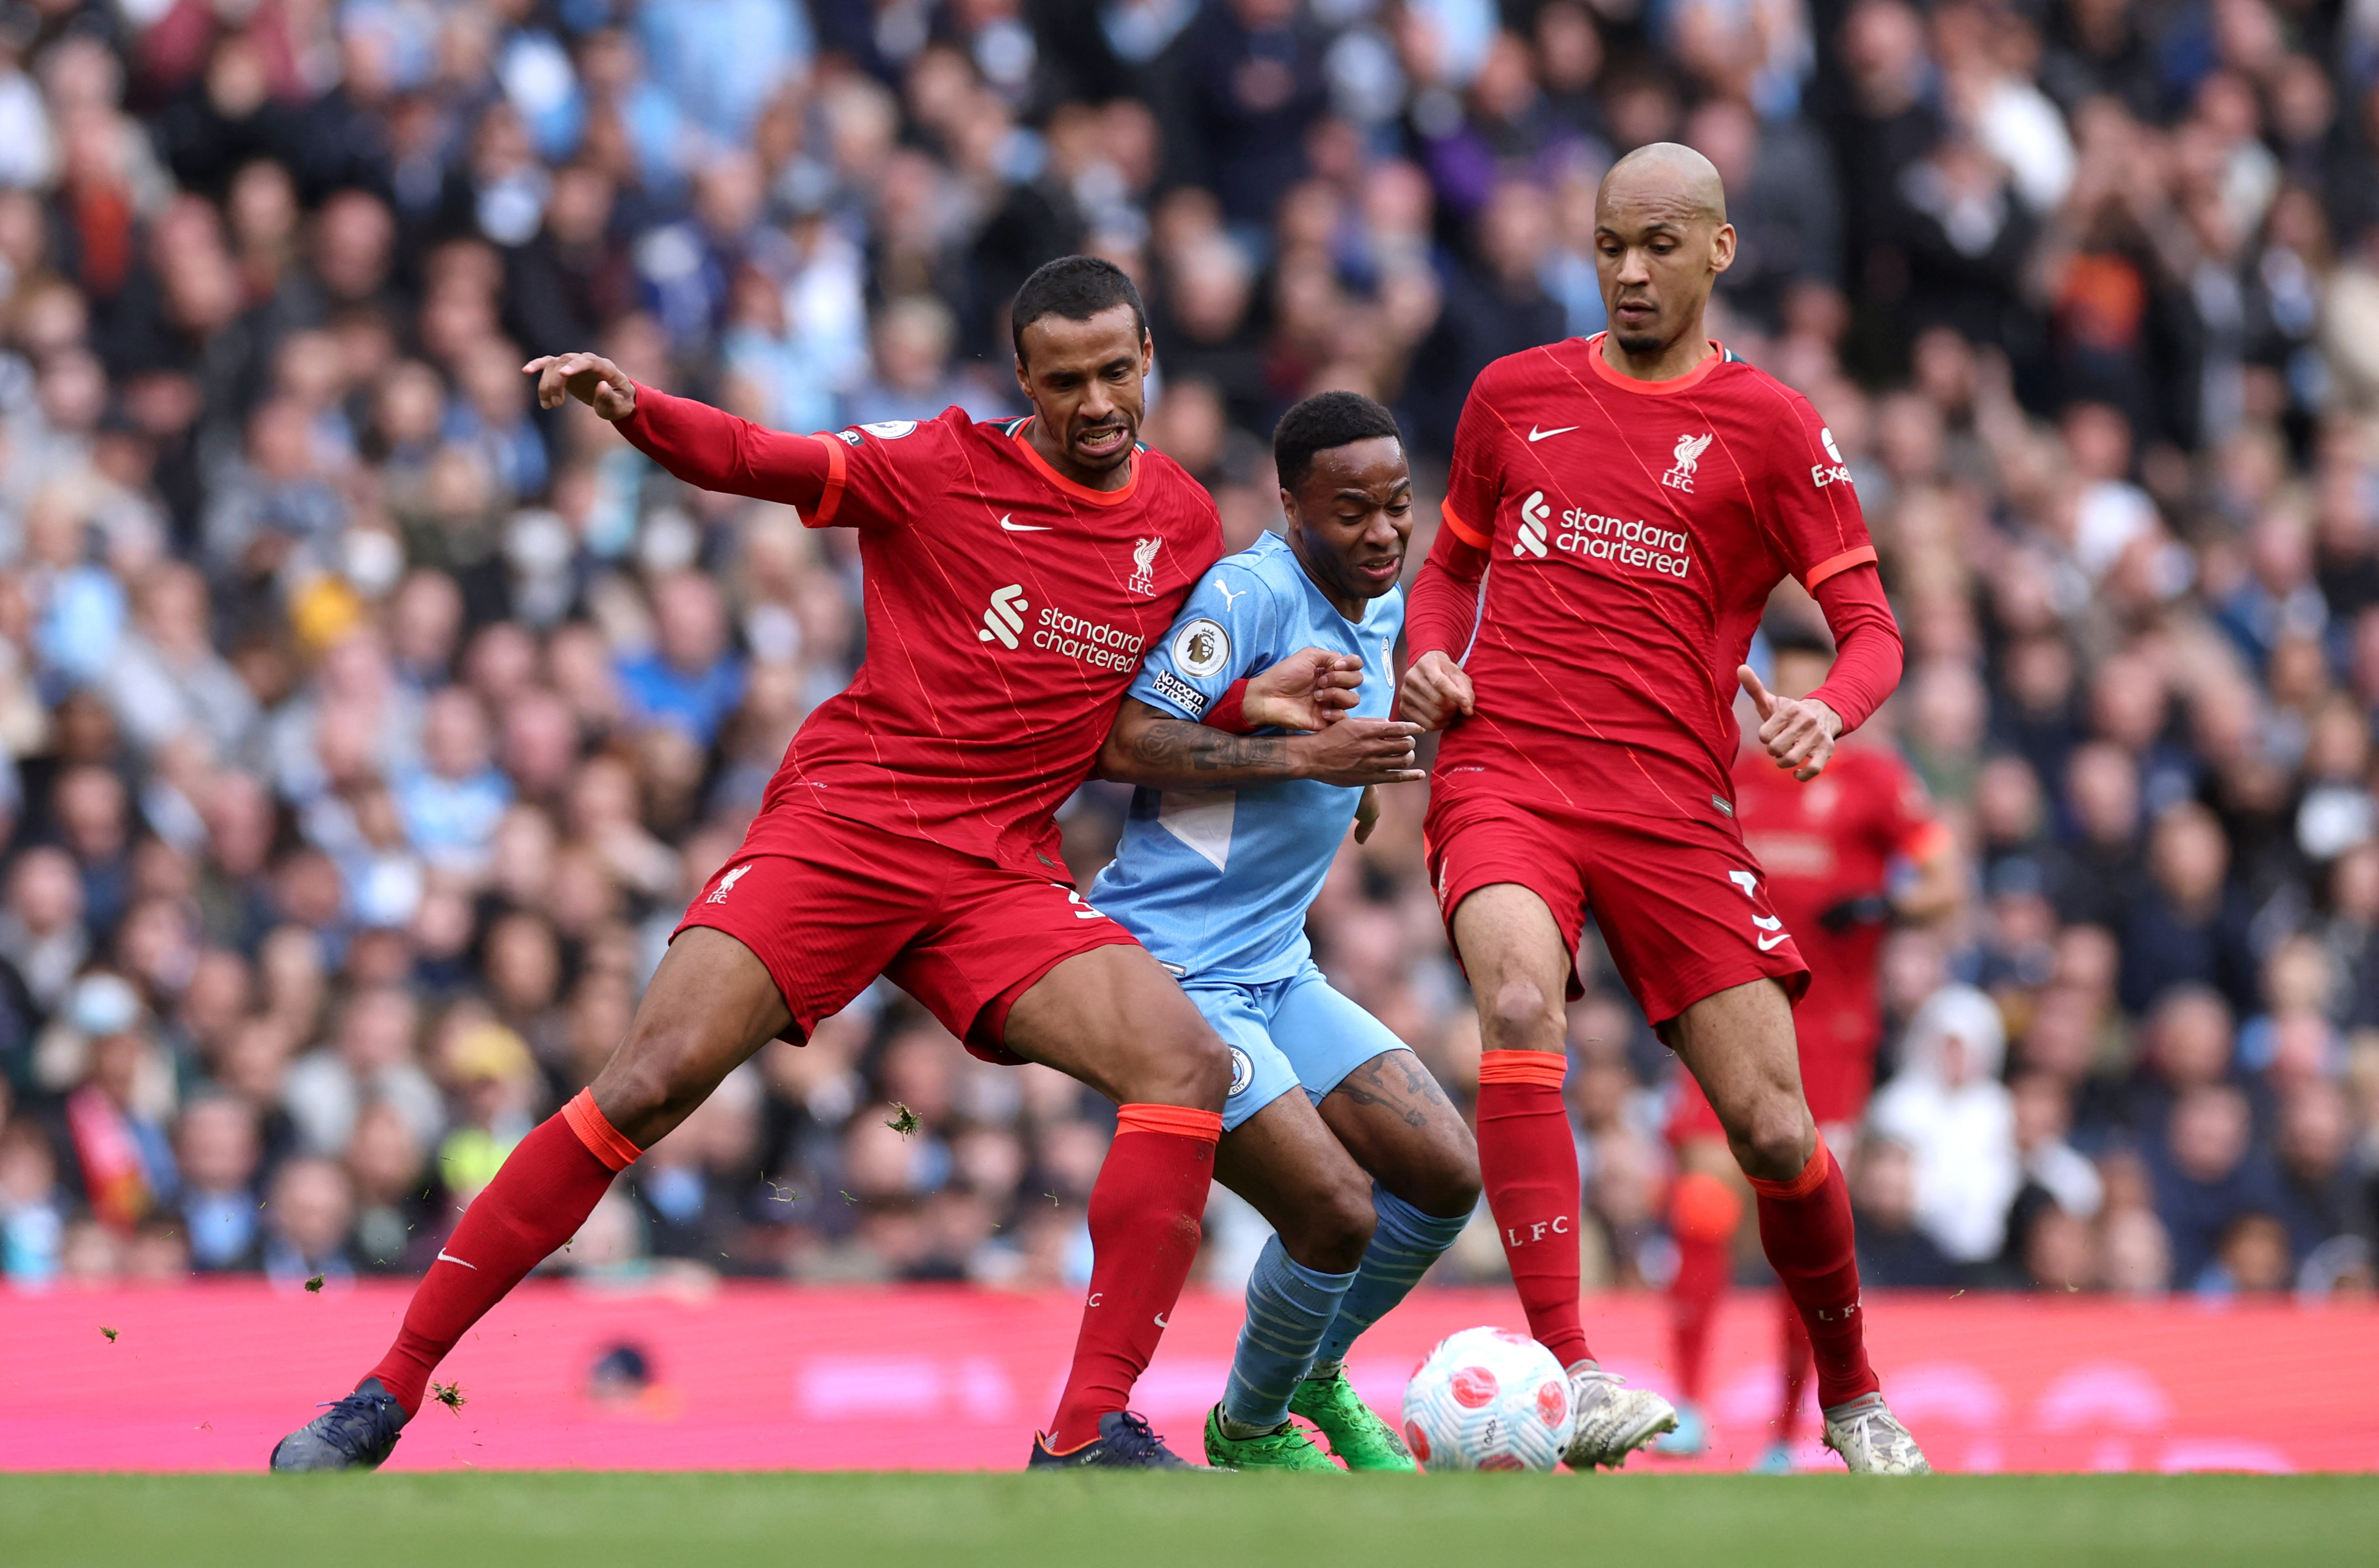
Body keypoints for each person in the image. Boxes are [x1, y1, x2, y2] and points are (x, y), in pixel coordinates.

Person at [270, 257, 1361, 1473]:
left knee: (1184, 1061)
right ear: (1022, 380)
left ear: (1149, 357)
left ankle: (1082, 1431)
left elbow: (1112, 709)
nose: (1096, 401)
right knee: (652, 1079)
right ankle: (385, 1392)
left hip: (997, 869)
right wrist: (637, 406)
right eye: (1065, 381)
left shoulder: (1181, 520)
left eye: (1115, 371)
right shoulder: (937, 465)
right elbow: (759, 458)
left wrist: (1248, 696)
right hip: (850, 826)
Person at [1398, 143, 1931, 1473]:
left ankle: (1854, 1399)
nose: (1629, 272)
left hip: (1669, 805)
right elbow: (1447, 571)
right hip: (1503, 765)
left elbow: (1869, 631)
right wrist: (1428, 651)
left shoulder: (1773, 428)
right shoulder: (1512, 395)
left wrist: (1830, 708)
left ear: (1717, 251)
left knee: (1772, 1129)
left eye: (1656, 247)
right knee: (1517, 1003)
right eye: (1607, 248)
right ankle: (1571, 1373)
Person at [1091, 391, 1479, 1471]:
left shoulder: (1382, 602)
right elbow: (1124, 742)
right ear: (1290, 506)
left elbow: (1332, 748)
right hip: (1172, 973)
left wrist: (1349, 785)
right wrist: (1304, 759)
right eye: (1351, 510)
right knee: (1335, 1213)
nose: (1383, 532)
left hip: (1274, 967)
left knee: (1445, 1175)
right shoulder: (1246, 594)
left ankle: (1306, 1369)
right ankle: (1249, 1430)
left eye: (1397, 507)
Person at [1658, 618, 1962, 1468]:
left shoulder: (1879, 783)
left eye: (1803, 689)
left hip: (1830, 1035)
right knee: (1702, 1202)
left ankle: (1788, 1434)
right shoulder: (1723, 778)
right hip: (1727, 1015)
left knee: (1801, 1217)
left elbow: (1945, 881)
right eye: (1772, 689)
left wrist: (1888, 908)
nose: (1781, 709)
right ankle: (1686, 1400)